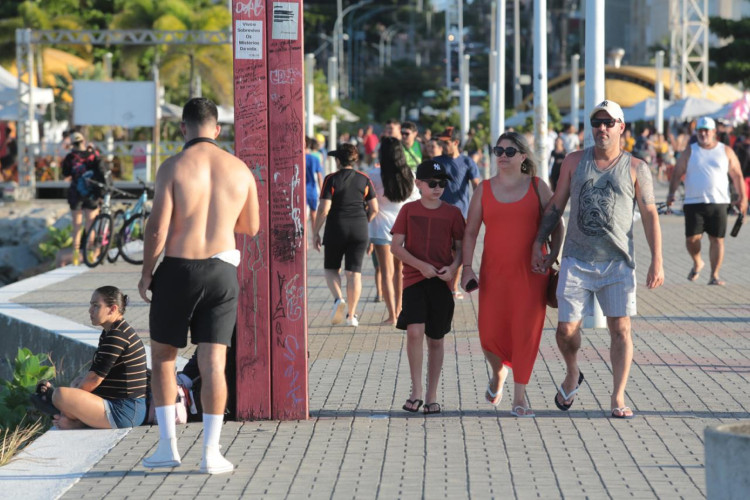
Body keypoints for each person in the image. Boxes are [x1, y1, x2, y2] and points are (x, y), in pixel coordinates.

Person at [138, 97, 259, 474]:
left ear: (182, 128)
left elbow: (157, 227)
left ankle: (166, 447)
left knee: (162, 358)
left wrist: (146, 272)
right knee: (213, 363)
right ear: (218, 129)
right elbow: (251, 227)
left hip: (177, 269)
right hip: (222, 271)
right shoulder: (240, 169)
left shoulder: (173, 167)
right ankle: (211, 452)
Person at [532, 99, 665, 419]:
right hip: (576, 260)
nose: (601, 129)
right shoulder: (574, 162)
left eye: (608, 123)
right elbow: (556, 205)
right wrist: (539, 241)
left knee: (621, 329)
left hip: (618, 262)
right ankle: (573, 372)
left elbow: (649, 215)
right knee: (565, 330)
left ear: (621, 127)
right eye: (596, 123)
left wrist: (657, 260)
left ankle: (617, 396)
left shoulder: (636, 167)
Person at [462, 132, 563, 417]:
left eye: (509, 150)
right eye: (498, 150)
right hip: (494, 275)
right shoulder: (484, 188)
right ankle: (498, 374)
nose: (503, 155)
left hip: (531, 275)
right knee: (488, 335)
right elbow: (470, 232)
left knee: (525, 334)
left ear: (523, 156)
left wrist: (552, 255)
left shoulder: (537, 186)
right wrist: (467, 267)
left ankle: (520, 398)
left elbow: (557, 224)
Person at [391, 160, 465, 415]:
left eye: (442, 184)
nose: (437, 188)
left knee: (436, 339)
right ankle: (416, 391)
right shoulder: (408, 210)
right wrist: (420, 265)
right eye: (432, 183)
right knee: (414, 332)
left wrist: (454, 268)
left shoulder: (453, 213)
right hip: (414, 279)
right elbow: (396, 246)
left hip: (442, 283)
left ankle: (432, 394)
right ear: (418, 184)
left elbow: (461, 249)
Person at [33, 286, 147, 430]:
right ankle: (69, 416)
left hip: (125, 412)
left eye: (96, 306)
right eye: (91, 305)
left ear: (112, 309)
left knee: (60, 395)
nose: (90, 310)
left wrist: (68, 401)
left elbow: (94, 380)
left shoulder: (117, 336)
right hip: (122, 406)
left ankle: (71, 418)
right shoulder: (113, 332)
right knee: (78, 382)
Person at [667, 116, 747, 286]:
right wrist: (671, 194)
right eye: (700, 130)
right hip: (693, 202)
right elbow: (677, 173)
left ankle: (714, 275)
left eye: (706, 130)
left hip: (719, 202)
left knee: (717, 239)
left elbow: (737, 175)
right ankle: (697, 262)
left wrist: (743, 198)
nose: (703, 133)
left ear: (714, 132)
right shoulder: (690, 150)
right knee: (692, 239)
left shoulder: (725, 150)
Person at [313, 143, 379, 327]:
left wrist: (315, 231)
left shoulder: (331, 179)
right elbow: (374, 209)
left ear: (338, 161)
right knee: (354, 273)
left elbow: (324, 208)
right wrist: (363, 222)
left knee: (331, 269)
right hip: (359, 228)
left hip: (336, 227)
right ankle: (352, 316)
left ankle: (338, 299)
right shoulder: (364, 179)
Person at [368, 137, 420, 325]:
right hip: (404, 229)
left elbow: (368, 202)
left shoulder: (373, 175)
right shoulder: (411, 176)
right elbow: (416, 202)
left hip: (381, 229)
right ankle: (400, 310)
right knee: (400, 272)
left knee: (385, 272)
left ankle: (392, 315)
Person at [434, 126, 482, 299]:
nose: (442, 145)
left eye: (445, 142)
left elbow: (477, 186)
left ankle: (453, 287)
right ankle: (441, 285)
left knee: (458, 252)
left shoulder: (468, 162)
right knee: (439, 252)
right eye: (441, 142)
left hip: (461, 215)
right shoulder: (437, 161)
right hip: (438, 214)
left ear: (456, 142)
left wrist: (479, 210)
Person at [61, 131, 103, 266]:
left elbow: (65, 173)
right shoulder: (92, 155)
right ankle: (90, 253)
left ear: (72, 143)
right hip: (91, 193)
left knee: (76, 226)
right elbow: (101, 168)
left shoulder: (70, 157)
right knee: (90, 225)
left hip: (76, 194)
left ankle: (75, 254)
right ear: (83, 141)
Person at [305, 136, 325, 239]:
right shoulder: (315, 159)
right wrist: (322, 191)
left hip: (302, 190)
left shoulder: (300, 158)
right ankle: (315, 235)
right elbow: (320, 177)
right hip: (312, 188)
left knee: (303, 216)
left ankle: (305, 241)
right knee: (314, 213)